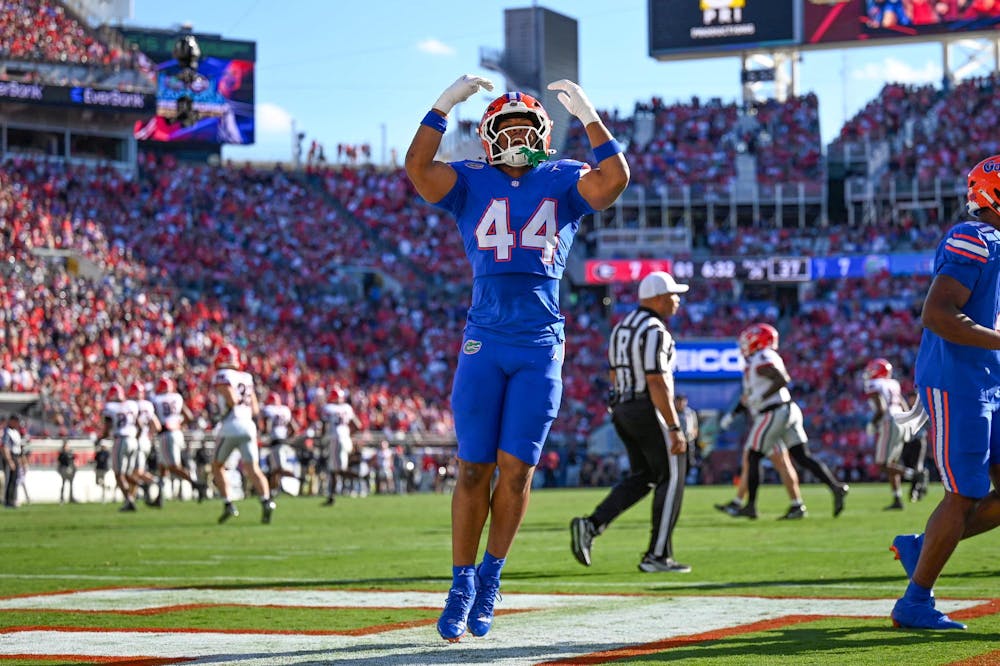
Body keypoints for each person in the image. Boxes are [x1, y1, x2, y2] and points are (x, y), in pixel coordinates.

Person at [405, 74, 628, 641]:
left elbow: (614, 180)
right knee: (474, 466)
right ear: (485, 135)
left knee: (518, 469)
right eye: (505, 126)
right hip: (484, 339)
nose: (515, 135)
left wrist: (591, 117)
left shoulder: (562, 176)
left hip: (538, 345)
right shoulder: (469, 180)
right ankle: (459, 584)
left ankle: (490, 578)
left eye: (526, 126)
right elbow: (418, 170)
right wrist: (441, 105)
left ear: (545, 134)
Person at [889, 155, 1000, 631]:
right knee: (964, 495)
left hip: (990, 379)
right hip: (960, 381)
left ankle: (920, 545)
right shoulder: (972, 237)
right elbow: (936, 313)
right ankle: (915, 601)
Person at [570, 271, 691, 573]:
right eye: (673, 295)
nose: (677, 300)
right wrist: (675, 426)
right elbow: (656, 379)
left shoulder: (622, 328)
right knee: (672, 475)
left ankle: (592, 524)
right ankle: (658, 554)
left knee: (644, 476)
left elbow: (613, 373)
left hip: (622, 406)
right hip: (646, 407)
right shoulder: (655, 330)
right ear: (659, 298)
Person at [718, 323, 849, 520]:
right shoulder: (756, 361)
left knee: (753, 456)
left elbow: (781, 379)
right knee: (802, 456)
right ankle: (835, 487)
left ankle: (750, 506)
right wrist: (734, 413)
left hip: (773, 412)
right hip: (786, 409)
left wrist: (761, 398)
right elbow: (750, 396)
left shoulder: (762, 357)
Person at [210, 343, 275, 524]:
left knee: (217, 466)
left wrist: (222, 413)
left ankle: (228, 504)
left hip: (232, 425)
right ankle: (266, 501)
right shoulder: (246, 377)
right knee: (253, 468)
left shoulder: (222, 375)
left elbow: (232, 399)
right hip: (248, 425)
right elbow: (254, 408)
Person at [862, 358, 928, 510]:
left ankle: (915, 476)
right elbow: (903, 405)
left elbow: (881, 409)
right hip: (900, 420)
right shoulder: (893, 383)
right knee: (892, 463)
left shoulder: (874, 384)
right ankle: (897, 499)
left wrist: (872, 423)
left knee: (882, 465)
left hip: (889, 422)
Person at [151, 375, 206, 503]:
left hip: (166, 433)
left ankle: (196, 484)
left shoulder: (156, 399)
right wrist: (179, 424)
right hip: (177, 432)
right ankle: (160, 498)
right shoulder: (177, 397)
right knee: (162, 466)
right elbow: (189, 416)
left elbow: (155, 419)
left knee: (173, 466)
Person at [101, 383, 140, 512]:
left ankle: (129, 499)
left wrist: (100, 439)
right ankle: (142, 488)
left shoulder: (110, 407)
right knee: (128, 473)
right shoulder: (132, 405)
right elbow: (139, 425)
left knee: (119, 474)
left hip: (121, 439)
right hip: (133, 439)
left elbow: (107, 430)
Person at [320, 387, 360, 505]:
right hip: (345, 440)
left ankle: (360, 478)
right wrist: (347, 434)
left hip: (335, 440)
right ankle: (331, 497)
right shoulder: (347, 408)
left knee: (335, 470)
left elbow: (324, 426)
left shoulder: (329, 408)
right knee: (335, 470)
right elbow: (358, 425)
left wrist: (322, 440)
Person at [260, 393, 298, 499]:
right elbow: (294, 428)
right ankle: (273, 491)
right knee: (274, 469)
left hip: (276, 441)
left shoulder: (269, 410)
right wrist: (288, 438)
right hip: (284, 441)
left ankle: (297, 477)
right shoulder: (285, 410)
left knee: (277, 469)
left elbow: (266, 428)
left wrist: (264, 436)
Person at [676, 394, 701, 485]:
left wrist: (694, 435)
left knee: (690, 461)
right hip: (677, 441)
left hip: (689, 441)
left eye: (683, 401)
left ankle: (685, 479)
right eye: (679, 401)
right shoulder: (673, 413)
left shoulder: (690, 412)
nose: (681, 403)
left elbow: (695, 426)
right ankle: (678, 480)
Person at [1, 415, 24, 508]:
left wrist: (20, 460)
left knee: (14, 480)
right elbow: (5, 447)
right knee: (9, 480)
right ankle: (7, 501)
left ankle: (12, 499)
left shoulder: (16, 432)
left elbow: (19, 447)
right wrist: (10, 461)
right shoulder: (7, 432)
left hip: (16, 456)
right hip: (10, 456)